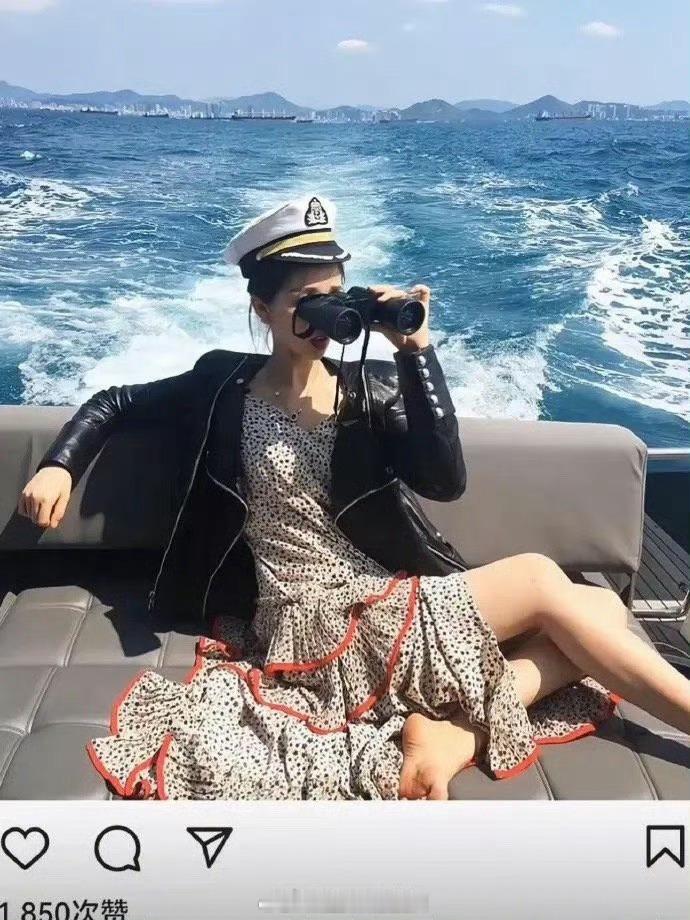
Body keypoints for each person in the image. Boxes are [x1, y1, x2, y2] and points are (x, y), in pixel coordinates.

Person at [19, 194, 690, 801]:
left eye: (336, 297)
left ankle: (455, 737)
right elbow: (117, 401)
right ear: (262, 309)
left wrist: (415, 351)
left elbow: (444, 480)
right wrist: (59, 467)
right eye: (305, 302)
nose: (323, 317)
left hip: (378, 596)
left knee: (601, 607)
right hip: (305, 615)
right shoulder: (222, 383)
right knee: (546, 580)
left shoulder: (368, 387)